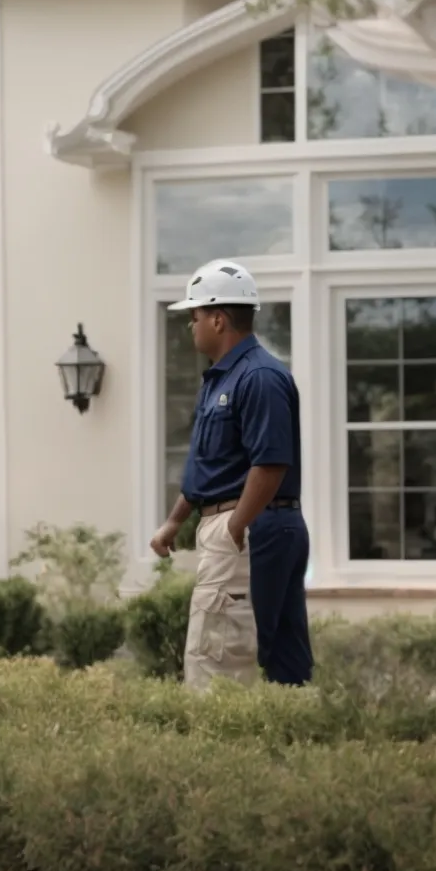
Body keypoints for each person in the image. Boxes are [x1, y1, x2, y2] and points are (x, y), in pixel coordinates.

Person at [150, 260, 313, 688]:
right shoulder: (219, 380)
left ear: (218, 319)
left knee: (216, 664)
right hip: (253, 524)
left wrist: (235, 527)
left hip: (253, 526)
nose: (191, 326)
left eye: (195, 316)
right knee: (273, 661)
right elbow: (209, 465)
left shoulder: (259, 377)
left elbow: (271, 463)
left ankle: (223, 750)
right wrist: (175, 521)